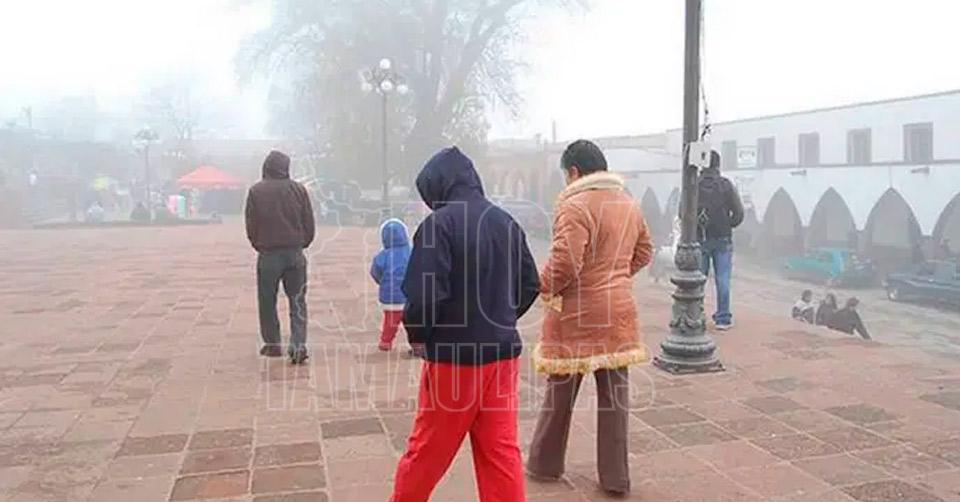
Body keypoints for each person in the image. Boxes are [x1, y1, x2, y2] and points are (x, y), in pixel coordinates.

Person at [391, 147, 540, 502]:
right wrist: (501, 319)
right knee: (500, 452)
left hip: (455, 360)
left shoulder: (438, 226)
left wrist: (419, 337)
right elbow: (530, 284)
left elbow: (424, 297)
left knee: (428, 451)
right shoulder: (505, 222)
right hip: (502, 357)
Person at [527, 140, 654, 497]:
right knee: (615, 400)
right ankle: (615, 478)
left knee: (560, 393)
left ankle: (545, 464)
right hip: (618, 312)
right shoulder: (628, 204)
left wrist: (543, 287)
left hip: (577, 315)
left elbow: (565, 262)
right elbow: (645, 251)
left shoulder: (574, 204)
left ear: (573, 172)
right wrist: (617, 278)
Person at [245, 150, 316, 365]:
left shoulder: (256, 191)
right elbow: (309, 222)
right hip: (295, 253)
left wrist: (259, 245)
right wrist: (302, 243)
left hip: (268, 254)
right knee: (297, 301)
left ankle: (273, 344)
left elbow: (251, 225)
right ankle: (298, 345)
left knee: (267, 301)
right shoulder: (298, 190)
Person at [697, 150, 745, 331]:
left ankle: (696, 315)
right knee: (723, 279)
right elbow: (739, 213)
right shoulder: (726, 185)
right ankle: (723, 319)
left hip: (700, 238)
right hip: (722, 238)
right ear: (718, 165)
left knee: (697, 280)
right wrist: (727, 224)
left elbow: (682, 212)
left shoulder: (694, 184)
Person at [370, 218, 412, 352]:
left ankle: (385, 342)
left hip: (390, 297)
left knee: (390, 322)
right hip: (411, 296)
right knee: (414, 323)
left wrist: (383, 282)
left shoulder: (382, 256)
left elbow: (375, 272)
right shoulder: (412, 252)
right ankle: (417, 345)